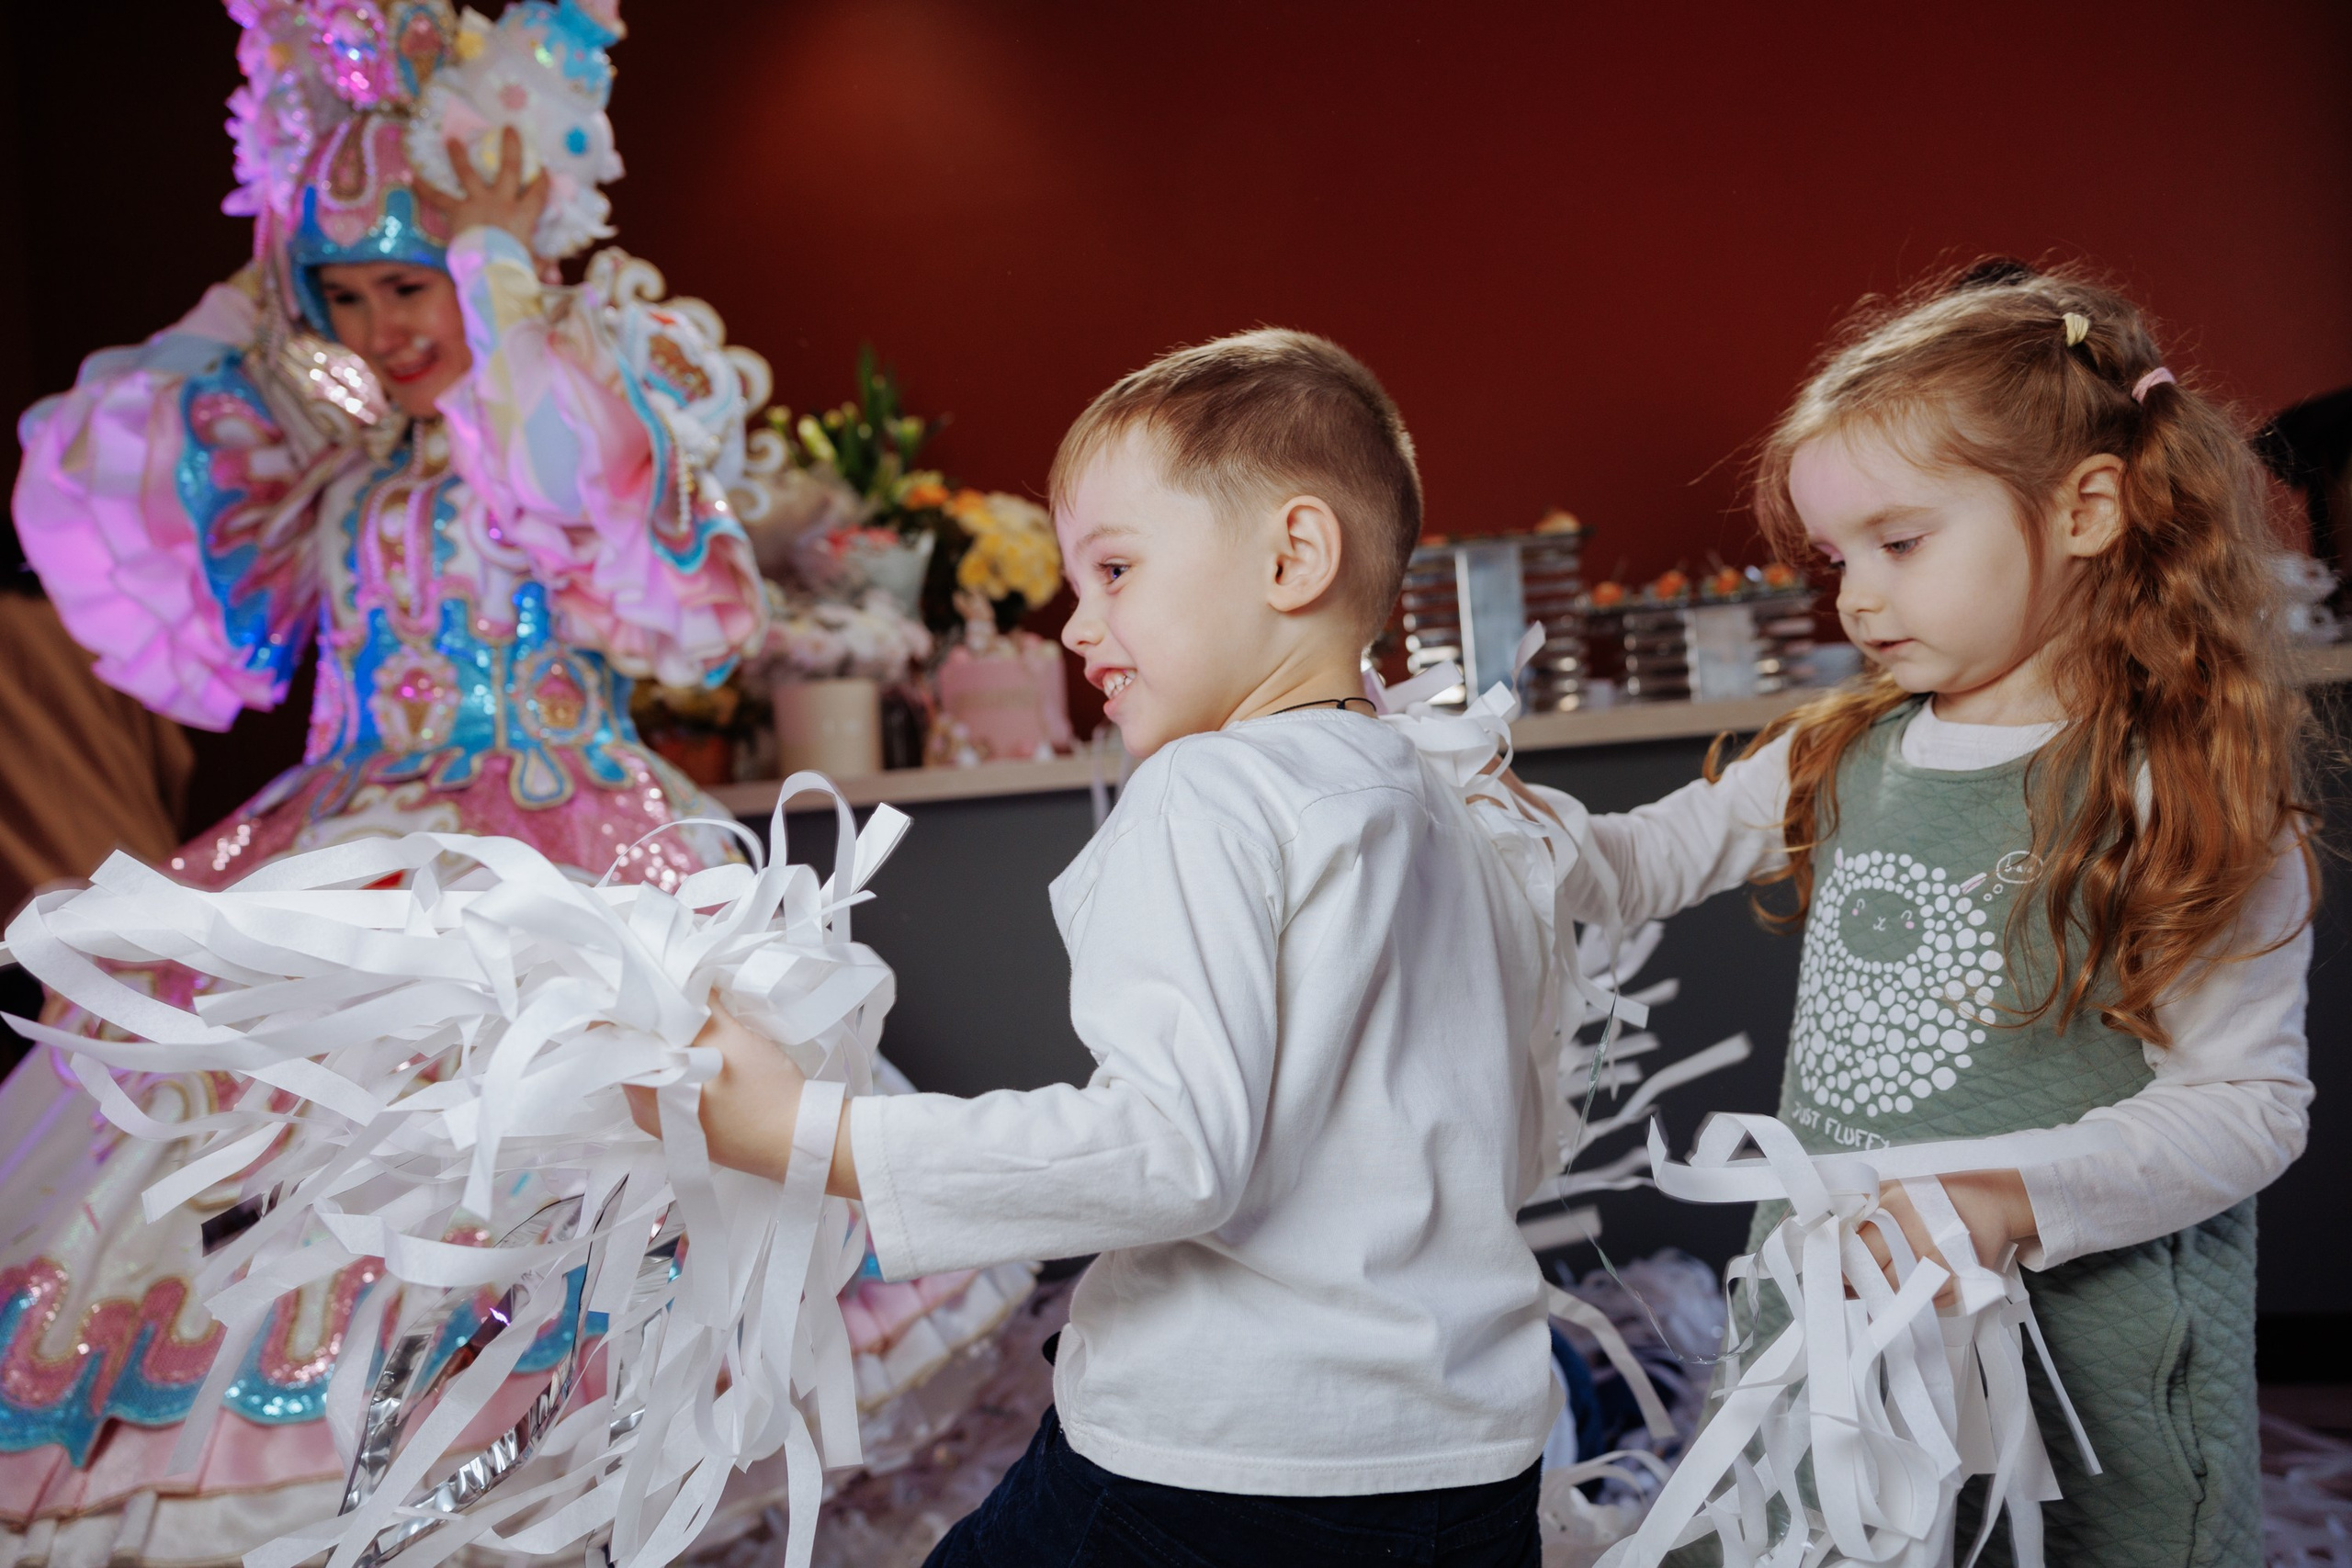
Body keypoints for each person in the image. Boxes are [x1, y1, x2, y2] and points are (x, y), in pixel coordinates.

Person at [1, 6, 1025, 1562]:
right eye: (349, 295)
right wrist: (271, 270)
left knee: (577, 1167)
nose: (386, 327)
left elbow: (641, 555)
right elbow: (140, 485)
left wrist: (496, 281)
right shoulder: (337, 458)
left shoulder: (577, 397)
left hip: (564, 849)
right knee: (283, 1156)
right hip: (351, 843)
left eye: (410, 285)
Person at [636, 329, 1563, 1566]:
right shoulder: (1430, 792)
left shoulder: (1211, 793)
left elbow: (1173, 1152)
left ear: (1293, 555)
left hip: (1219, 1462)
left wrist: (812, 1134)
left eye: (1115, 570)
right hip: (1466, 1457)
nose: (1080, 627)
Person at [1553, 261, 2313, 1566]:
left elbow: (2247, 1107)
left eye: (1901, 545)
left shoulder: (2174, 790)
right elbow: (1629, 867)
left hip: (2091, 1369)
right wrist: (1489, 826)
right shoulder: (1840, 750)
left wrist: (2005, 1200)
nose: (1852, 595)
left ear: (2085, 509)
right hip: (1840, 1324)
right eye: (1839, 555)